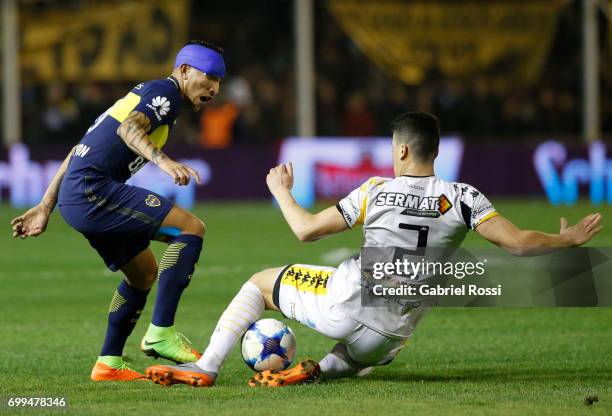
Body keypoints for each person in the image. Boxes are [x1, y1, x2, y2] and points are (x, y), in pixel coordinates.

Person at [144, 112, 602, 387]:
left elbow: (305, 231)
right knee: (369, 355)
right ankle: (321, 370)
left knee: (260, 283)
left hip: (345, 302)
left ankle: (206, 366)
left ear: (401, 151)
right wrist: (567, 239)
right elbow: (519, 244)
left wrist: (281, 190)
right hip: (390, 334)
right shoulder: (464, 196)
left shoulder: (376, 191)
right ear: (434, 151)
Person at [10, 40, 225, 381]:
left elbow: (79, 148)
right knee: (190, 228)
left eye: (219, 82)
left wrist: (45, 205)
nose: (214, 88)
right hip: (93, 191)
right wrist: (164, 162)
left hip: (77, 196)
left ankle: (108, 363)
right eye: (209, 77)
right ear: (184, 71)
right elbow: (129, 130)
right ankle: (161, 333)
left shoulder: (143, 95)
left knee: (142, 274)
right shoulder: (165, 94)